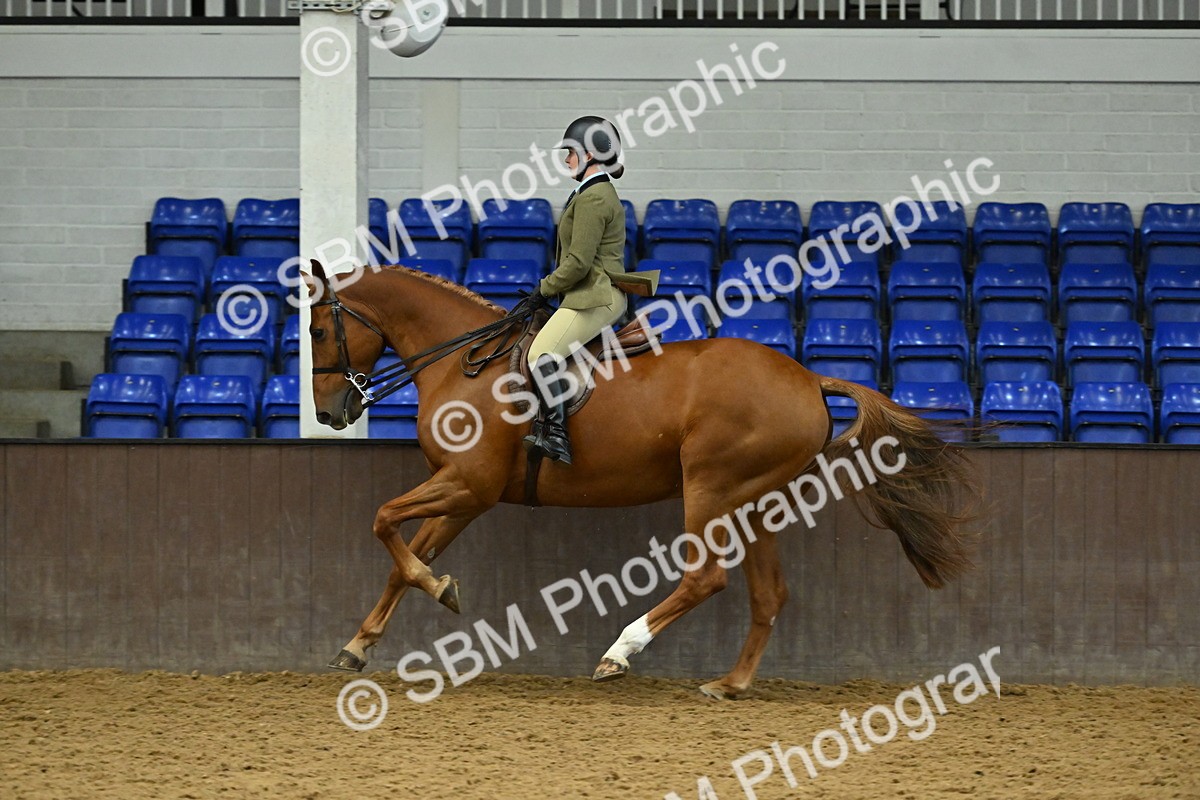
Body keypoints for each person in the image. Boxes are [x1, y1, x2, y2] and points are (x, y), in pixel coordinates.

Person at [521, 116, 629, 466]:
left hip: (596, 294)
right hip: (588, 292)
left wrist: (542, 290)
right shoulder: (590, 192)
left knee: (541, 355)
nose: (567, 158)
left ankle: (557, 436)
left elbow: (579, 262)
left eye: (571, 152)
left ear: (591, 155)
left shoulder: (594, 197)